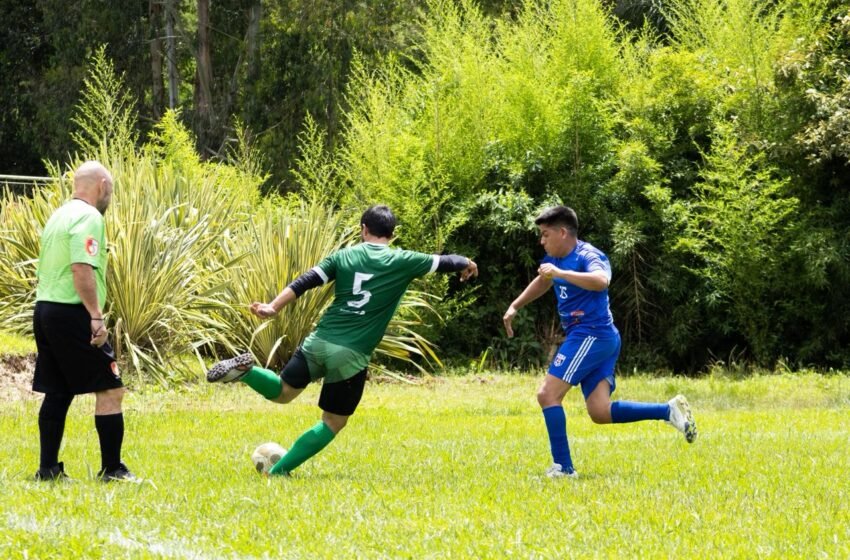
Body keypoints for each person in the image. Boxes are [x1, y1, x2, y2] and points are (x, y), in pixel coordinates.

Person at [207, 205, 478, 476]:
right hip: (350, 355)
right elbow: (447, 261)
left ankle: (246, 372)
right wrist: (468, 262)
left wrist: (273, 307)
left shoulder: (344, 256)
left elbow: (306, 281)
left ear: (363, 229)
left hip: (320, 340)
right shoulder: (404, 260)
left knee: (282, 391)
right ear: (392, 235)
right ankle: (279, 471)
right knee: (333, 422)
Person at [503, 205, 696, 478]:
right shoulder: (555, 259)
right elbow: (543, 282)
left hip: (591, 334)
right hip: (598, 338)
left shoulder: (587, 254)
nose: (541, 241)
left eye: (545, 235)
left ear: (562, 232)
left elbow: (601, 280)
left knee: (547, 395)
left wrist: (560, 275)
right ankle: (668, 411)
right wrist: (515, 305)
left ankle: (564, 468)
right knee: (600, 412)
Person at [32, 160, 137, 482]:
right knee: (110, 389)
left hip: (46, 309)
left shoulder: (58, 215)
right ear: (103, 185)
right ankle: (112, 470)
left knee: (58, 390)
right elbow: (81, 267)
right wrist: (95, 315)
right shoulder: (89, 216)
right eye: (112, 190)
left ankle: (48, 469)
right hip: (73, 312)